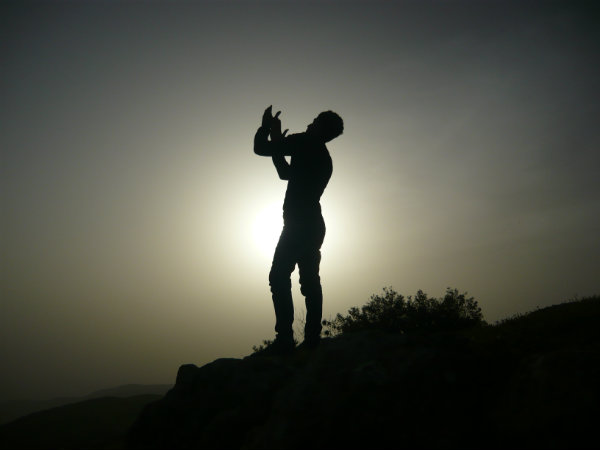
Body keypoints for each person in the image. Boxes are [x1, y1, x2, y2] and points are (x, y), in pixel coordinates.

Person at [254, 106, 344, 353]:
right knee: (310, 281)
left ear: (321, 128)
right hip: (314, 225)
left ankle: (285, 339)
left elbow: (260, 149)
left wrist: (266, 128)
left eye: (315, 120)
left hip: (298, 225)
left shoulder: (304, 142)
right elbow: (286, 173)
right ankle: (312, 338)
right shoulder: (324, 157)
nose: (310, 123)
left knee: (278, 276)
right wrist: (278, 143)